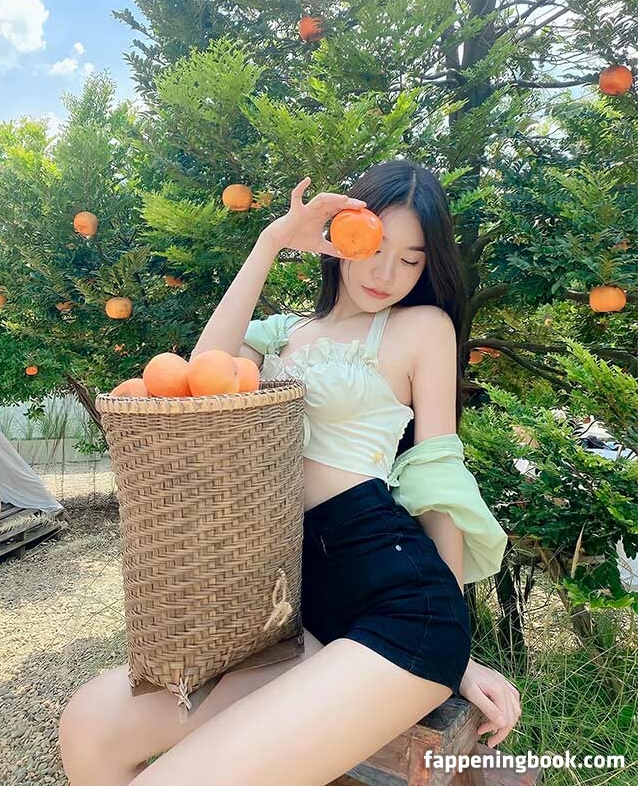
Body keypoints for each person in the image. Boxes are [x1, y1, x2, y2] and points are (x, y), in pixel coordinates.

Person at [59, 159, 521, 786]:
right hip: (294, 606)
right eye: (374, 248)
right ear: (342, 240)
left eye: (410, 260)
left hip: (399, 603)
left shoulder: (422, 328)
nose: (386, 274)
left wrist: (459, 650)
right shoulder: (286, 332)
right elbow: (202, 373)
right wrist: (271, 241)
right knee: (88, 726)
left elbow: (438, 478)